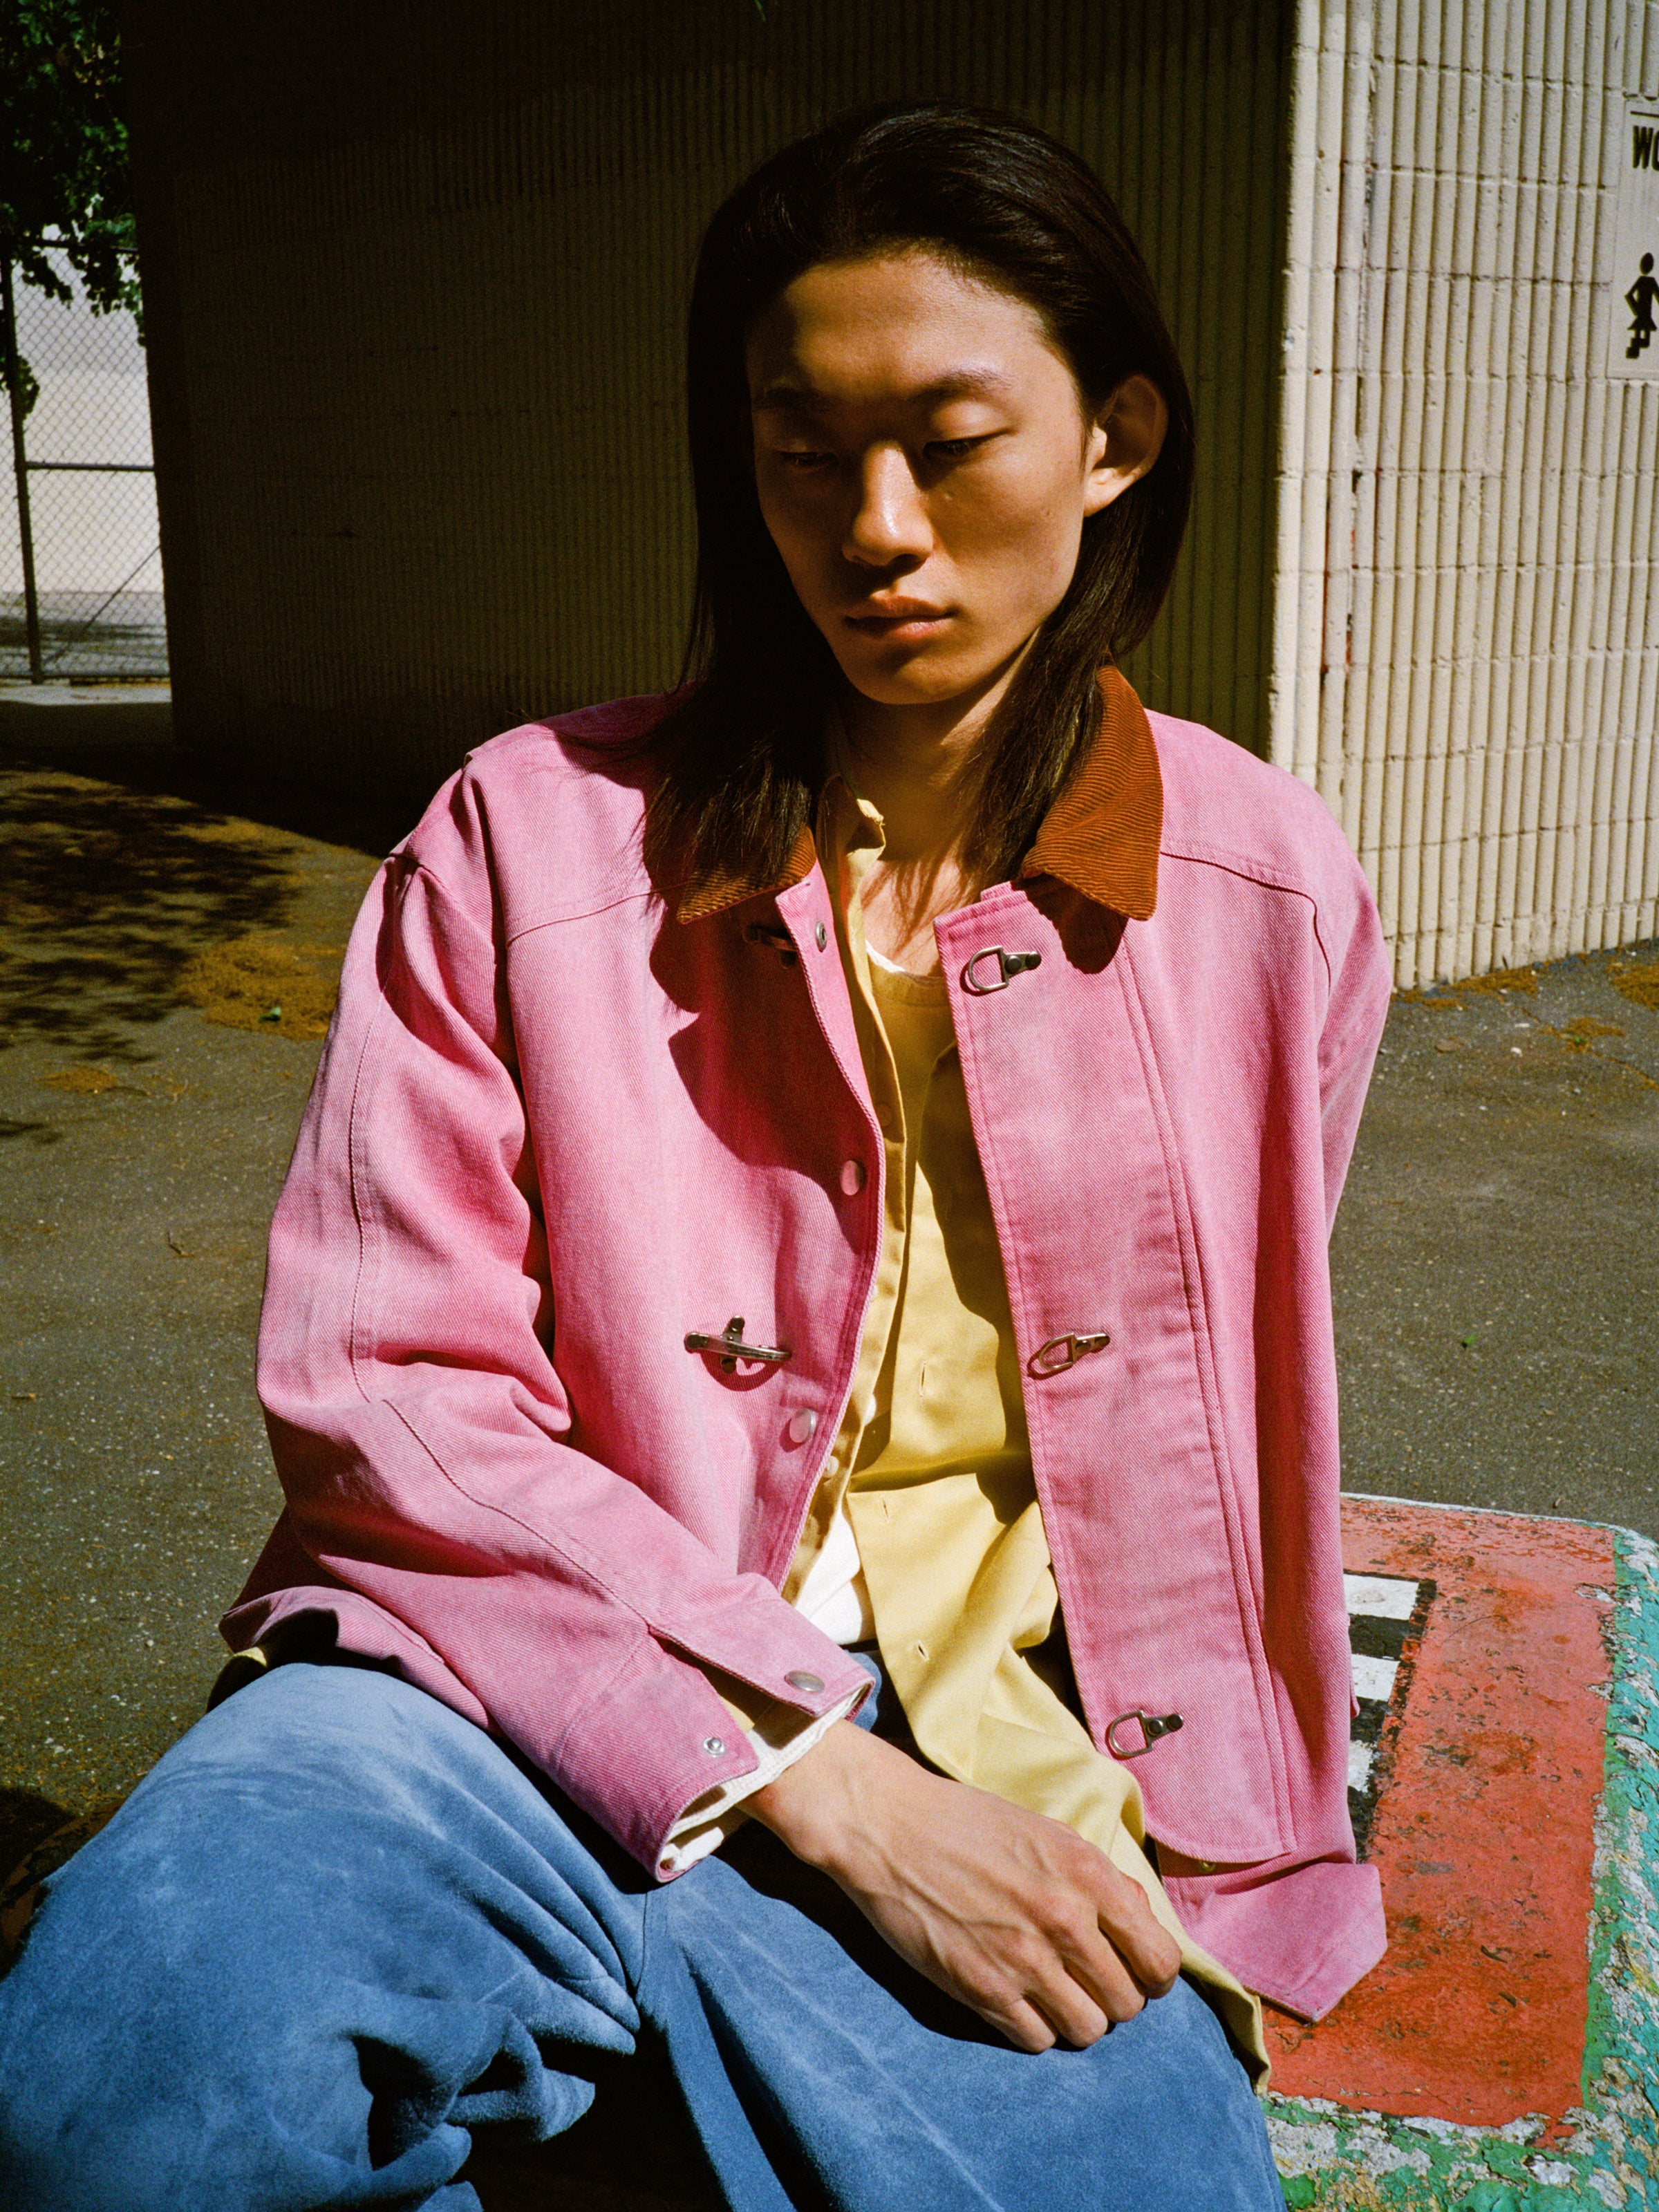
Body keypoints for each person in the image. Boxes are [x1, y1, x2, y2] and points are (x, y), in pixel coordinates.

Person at [0, 101, 1389, 2211]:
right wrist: (798, 1771)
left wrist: (1024, 1803)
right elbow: (391, 1402)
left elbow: (1225, 1422)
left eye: (951, 437)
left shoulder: (1269, 888)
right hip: (496, 1679)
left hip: (1025, 1739)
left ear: (1116, 437)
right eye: (802, 448)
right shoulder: (521, 837)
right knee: (112, 2090)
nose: (876, 525)